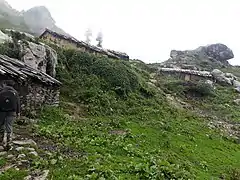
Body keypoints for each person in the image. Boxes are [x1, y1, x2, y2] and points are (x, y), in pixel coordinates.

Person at [0, 80, 20, 150]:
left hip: (1, 111)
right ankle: (9, 143)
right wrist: (18, 112)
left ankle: (1, 141)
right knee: (9, 126)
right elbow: (18, 103)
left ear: (5, 84)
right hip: (12, 112)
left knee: (1, 125)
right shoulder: (15, 92)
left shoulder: (1, 92)